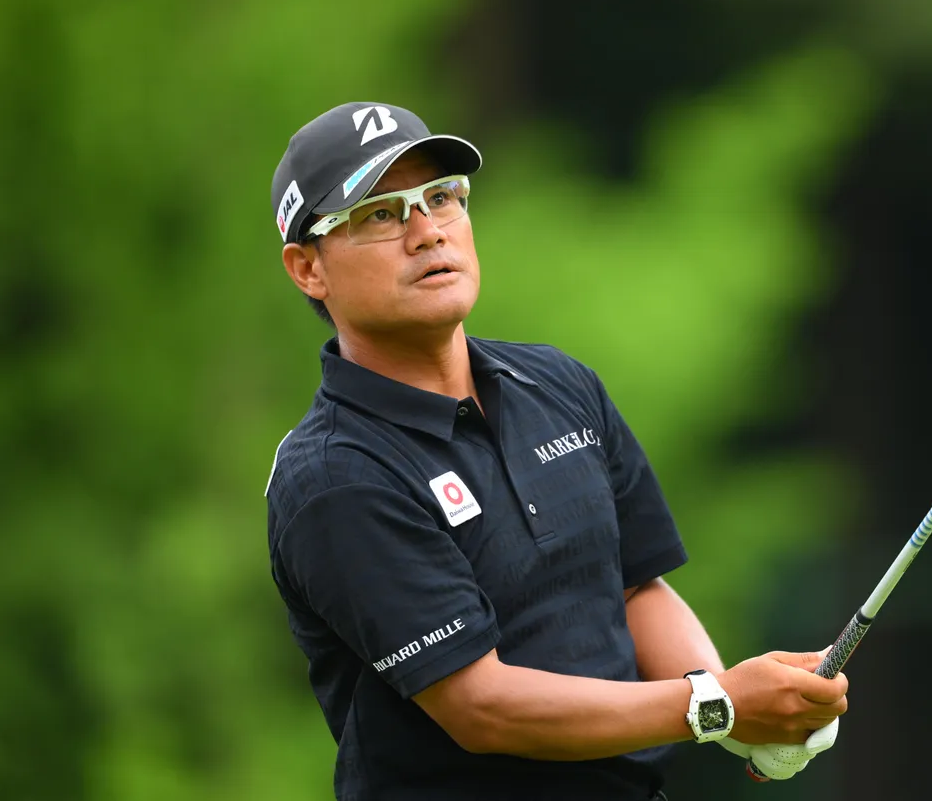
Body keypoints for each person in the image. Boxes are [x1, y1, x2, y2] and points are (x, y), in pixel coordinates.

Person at [264, 102, 848, 801]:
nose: (427, 232)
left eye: (441, 198)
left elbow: (635, 587)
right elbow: (480, 707)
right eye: (381, 214)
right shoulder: (336, 475)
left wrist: (736, 713)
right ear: (309, 268)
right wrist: (714, 706)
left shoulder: (558, 383)